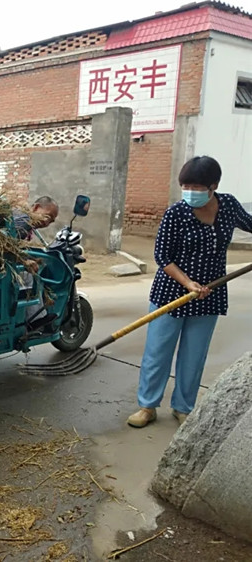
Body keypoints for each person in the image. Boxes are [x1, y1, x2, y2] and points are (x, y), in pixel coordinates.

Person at [127, 156, 252, 428]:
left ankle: (183, 406)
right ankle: (147, 406)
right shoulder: (176, 213)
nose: (190, 192)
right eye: (186, 186)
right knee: (158, 351)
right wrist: (188, 283)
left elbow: (250, 223)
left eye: (197, 187)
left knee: (194, 355)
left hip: (211, 292)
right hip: (172, 292)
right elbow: (162, 256)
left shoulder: (228, 205)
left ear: (213, 186)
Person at [13, 196, 60, 330]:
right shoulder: (24, 222)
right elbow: (6, 247)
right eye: (47, 217)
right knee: (29, 277)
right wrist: (24, 261)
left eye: (51, 221)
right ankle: (34, 320)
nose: (47, 223)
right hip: (2, 264)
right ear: (36, 207)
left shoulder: (21, 217)